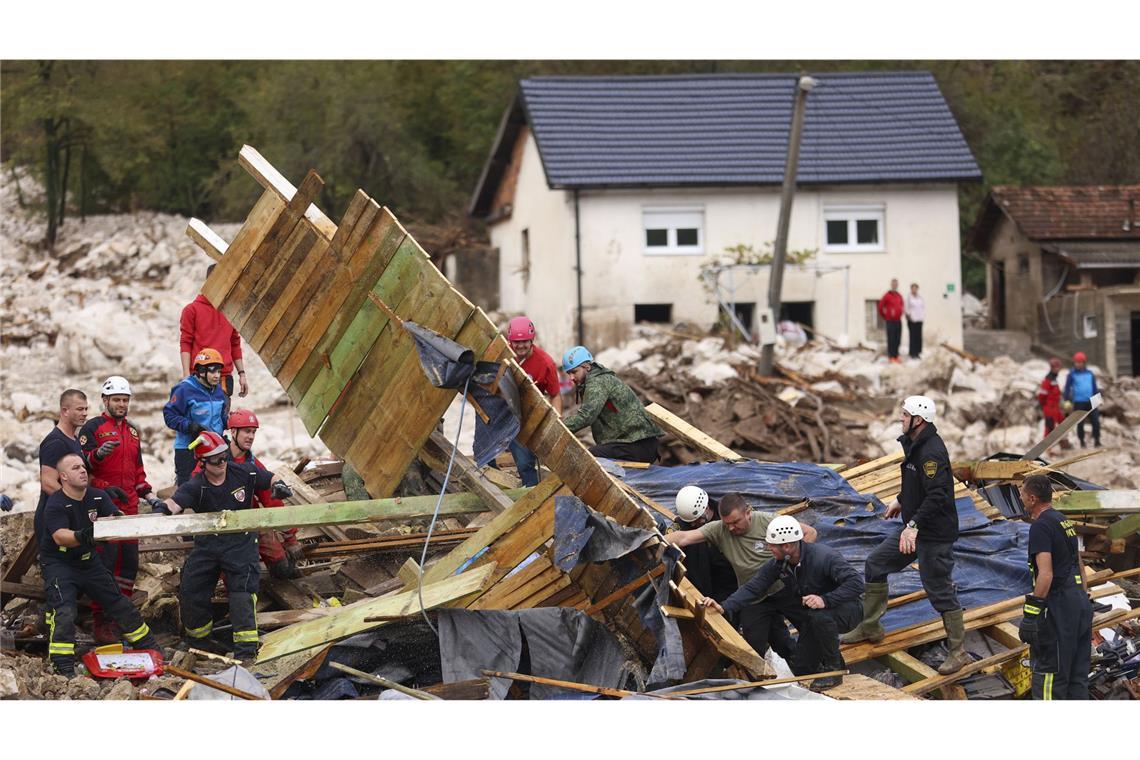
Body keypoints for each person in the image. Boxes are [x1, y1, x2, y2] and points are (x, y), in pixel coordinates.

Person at [841, 395, 971, 675]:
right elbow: (918, 484)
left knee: (938, 589)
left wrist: (913, 525)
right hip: (915, 528)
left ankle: (958, 652)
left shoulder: (931, 452)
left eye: (903, 415)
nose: (900, 419)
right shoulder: (915, 444)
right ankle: (870, 627)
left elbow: (938, 494)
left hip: (933, 534)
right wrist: (901, 500)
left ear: (918, 420)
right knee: (876, 563)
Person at [155, 431, 286, 662]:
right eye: (216, 460)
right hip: (208, 544)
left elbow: (270, 477)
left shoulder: (242, 472)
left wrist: (280, 485)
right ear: (203, 462)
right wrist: (160, 508)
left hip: (241, 543)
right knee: (192, 589)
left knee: (242, 594)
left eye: (225, 457)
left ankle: (246, 653)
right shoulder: (197, 485)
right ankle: (199, 644)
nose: (223, 463)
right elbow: (174, 504)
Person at [700, 515, 864, 691]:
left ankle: (834, 670)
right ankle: (832, 660)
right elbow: (754, 587)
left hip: (848, 610)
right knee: (802, 667)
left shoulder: (824, 557)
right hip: (817, 614)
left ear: (786, 546)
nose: (768, 548)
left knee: (819, 616)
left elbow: (856, 583)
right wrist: (724, 606)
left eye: (772, 545)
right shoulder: (781, 563)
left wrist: (825, 600)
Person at [37, 453, 159, 677]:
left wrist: (116, 518)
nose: (83, 471)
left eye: (83, 467)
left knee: (119, 604)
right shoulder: (56, 503)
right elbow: (60, 537)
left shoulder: (97, 497)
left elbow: (114, 519)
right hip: (59, 563)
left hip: (88, 562)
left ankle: (150, 648)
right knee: (65, 612)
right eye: (75, 468)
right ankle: (62, 666)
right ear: (63, 477)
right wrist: (86, 535)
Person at [666, 492, 817, 660]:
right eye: (727, 523)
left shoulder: (768, 521)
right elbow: (683, 537)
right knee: (753, 645)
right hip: (753, 596)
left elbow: (809, 532)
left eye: (736, 522)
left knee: (811, 627)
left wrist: (794, 563)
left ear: (747, 512)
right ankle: (756, 681)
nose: (731, 528)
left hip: (784, 589)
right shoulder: (719, 529)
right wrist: (653, 540)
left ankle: (827, 667)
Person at [78, 376, 165, 643]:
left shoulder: (133, 432)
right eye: (116, 399)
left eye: (125, 400)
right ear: (105, 400)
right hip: (103, 508)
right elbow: (81, 469)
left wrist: (151, 497)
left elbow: (138, 472)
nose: (121, 404)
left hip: (129, 507)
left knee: (128, 564)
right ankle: (101, 620)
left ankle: (122, 616)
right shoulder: (91, 428)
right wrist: (98, 459)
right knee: (105, 564)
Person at [1018, 474, 1092, 700]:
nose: (1019, 497)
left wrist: (1031, 613)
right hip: (1079, 604)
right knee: (1077, 678)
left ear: (1032, 498)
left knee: (1051, 677)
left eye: (1021, 493)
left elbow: (1046, 574)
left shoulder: (1040, 526)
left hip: (1059, 608)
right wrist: (1084, 595)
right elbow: (1078, 563)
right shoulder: (1063, 521)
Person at [204, 409, 299, 580]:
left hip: (252, 522)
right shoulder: (214, 459)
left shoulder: (254, 465)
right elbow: (197, 490)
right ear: (233, 432)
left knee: (283, 569)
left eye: (253, 432)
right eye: (247, 431)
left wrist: (290, 536)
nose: (251, 436)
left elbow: (271, 499)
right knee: (235, 578)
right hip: (223, 528)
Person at [560, 345, 663, 464]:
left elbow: (586, 416)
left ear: (587, 367)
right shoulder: (598, 379)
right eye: (569, 373)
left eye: (574, 372)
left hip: (638, 444)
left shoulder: (597, 383)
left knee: (591, 457)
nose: (571, 378)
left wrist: (558, 428)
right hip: (634, 443)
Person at [505, 316, 562, 486]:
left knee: (524, 462)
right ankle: (493, 486)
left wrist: (555, 423)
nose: (520, 346)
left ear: (532, 340)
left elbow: (555, 394)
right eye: (516, 342)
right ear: (510, 341)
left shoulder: (545, 363)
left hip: (528, 415)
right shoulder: (503, 355)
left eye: (525, 341)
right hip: (504, 408)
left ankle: (531, 493)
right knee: (485, 451)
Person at [180, 265, 247, 398]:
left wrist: (242, 374)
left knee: (221, 418)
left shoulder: (230, 311)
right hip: (199, 378)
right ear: (209, 283)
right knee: (199, 418)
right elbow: (185, 343)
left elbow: (235, 343)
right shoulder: (191, 310)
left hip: (224, 379)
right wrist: (186, 375)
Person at [163, 347, 228, 485]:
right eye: (213, 371)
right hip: (189, 449)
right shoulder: (184, 389)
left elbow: (221, 417)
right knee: (187, 490)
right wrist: (190, 426)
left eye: (219, 371)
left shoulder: (218, 390)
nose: (217, 375)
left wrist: (231, 421)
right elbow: (169, 415)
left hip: (214, 448)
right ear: (201, 371)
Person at [667, 486, 737, 603]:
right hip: (701, 577)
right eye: (691, 522)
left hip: (727, 574)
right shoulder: (683, 523)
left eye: (698, 520)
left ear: (706, 508)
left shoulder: (725, 513)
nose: (694, 524)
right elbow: (670, 538)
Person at [37, 389, 89, 514]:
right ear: (65, 411)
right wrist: (78, 504)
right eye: (80, 409)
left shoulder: (74, 439)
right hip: (54, 519)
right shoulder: (56, 442)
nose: (85, 413)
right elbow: (48, 483)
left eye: (86, 409)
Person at [1063, 352, 1100, 448]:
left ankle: (1097, 440)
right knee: (1080, 423)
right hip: (1079, 401)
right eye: (1076, 362)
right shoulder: (1071, 374)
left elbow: (1094, 387)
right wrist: (1066, 400)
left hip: (1091, 401)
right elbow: (1067, 388)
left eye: (1080, 362)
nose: (1078, 364)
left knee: (1095, 421)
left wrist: (1097, 399)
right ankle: (1082, 442)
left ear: (1084, 362)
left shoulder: (1090, 374)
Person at [877, 278, 905, 364]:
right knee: (891, 339)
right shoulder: (887, 295)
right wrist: (885, 316)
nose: (895, 286)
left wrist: (900, 312)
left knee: (897, 339)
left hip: (898, 321)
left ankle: (896, 355)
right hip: (890, 321)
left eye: (896, 284)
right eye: (893, 284)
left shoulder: (899, 295)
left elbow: (902, 305)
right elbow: (880, 307)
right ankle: (891, 356)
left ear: (897, 285)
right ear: (891, 285)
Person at [1036, 358, 1065, 437]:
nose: (1058, 369)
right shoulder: (1047, 380)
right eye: (1056, 367)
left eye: (1059, 367)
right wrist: (1043, 405)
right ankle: (1047, 447)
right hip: (1049, 407)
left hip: (1055, 407)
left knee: (1063, 424)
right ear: (1052, 368)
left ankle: (1063, 442)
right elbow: (1042, 395)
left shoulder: (1054, 379)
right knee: (1050, 427)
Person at [905, 282, 925, 359]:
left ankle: (918, 352)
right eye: (913, 288)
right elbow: (906, 309)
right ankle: (912, 353)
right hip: (912, 320)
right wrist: (909, 317)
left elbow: (922, 307)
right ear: (911, 289)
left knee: (918, 337)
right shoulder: (909, 298)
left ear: (917, 289)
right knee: (913, 337)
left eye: (915, 288)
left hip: (919, 320)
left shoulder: (920, 298)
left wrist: (922, 317)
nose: (914, 290)